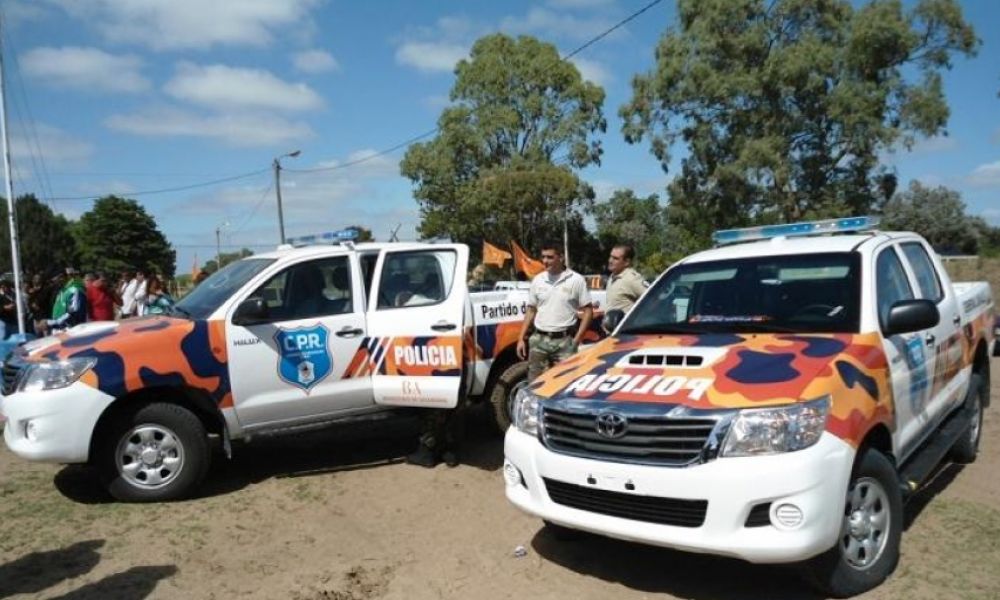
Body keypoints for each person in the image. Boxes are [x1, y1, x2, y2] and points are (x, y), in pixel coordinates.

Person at [516, 242, 593, 382]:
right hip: (539, 340)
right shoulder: (538, 280)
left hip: (565, 342)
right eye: (543, 257)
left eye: (550, 257)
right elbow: (531, 309)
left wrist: (576, 340)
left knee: (565, 385)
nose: (545, 261)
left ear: (561, 257)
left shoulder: (576, 280)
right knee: (535, 384)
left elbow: (588, 311)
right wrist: (521, 338)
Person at [603, 244, 648, 332]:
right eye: (610, 257)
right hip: (612, 333)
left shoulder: (632, 279)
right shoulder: (613, 276)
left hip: (626, 334)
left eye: (615, 258)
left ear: (627, 262)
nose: (610, 261)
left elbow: (653, 299)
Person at [36, 267, 88, 335]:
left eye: (52, 281)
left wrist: (49, 323)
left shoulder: (74, 290)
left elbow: (73, 314)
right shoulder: (61, 291)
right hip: (60, 333)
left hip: (72, 333)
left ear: (61, 277)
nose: (52, 284)